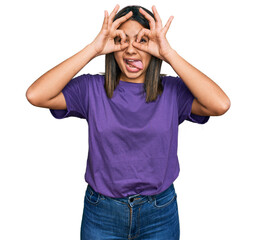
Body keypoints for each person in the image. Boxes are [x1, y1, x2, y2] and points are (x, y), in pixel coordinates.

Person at [26, 4, 231, 240]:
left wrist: (169, 54)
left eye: (142, 41)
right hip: (102, 213)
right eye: (122, 40)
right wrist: (94, 48)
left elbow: (220, 104)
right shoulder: (91, 89)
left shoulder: (173, 92)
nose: (131, 50)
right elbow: (36, 95)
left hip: (159, 213)